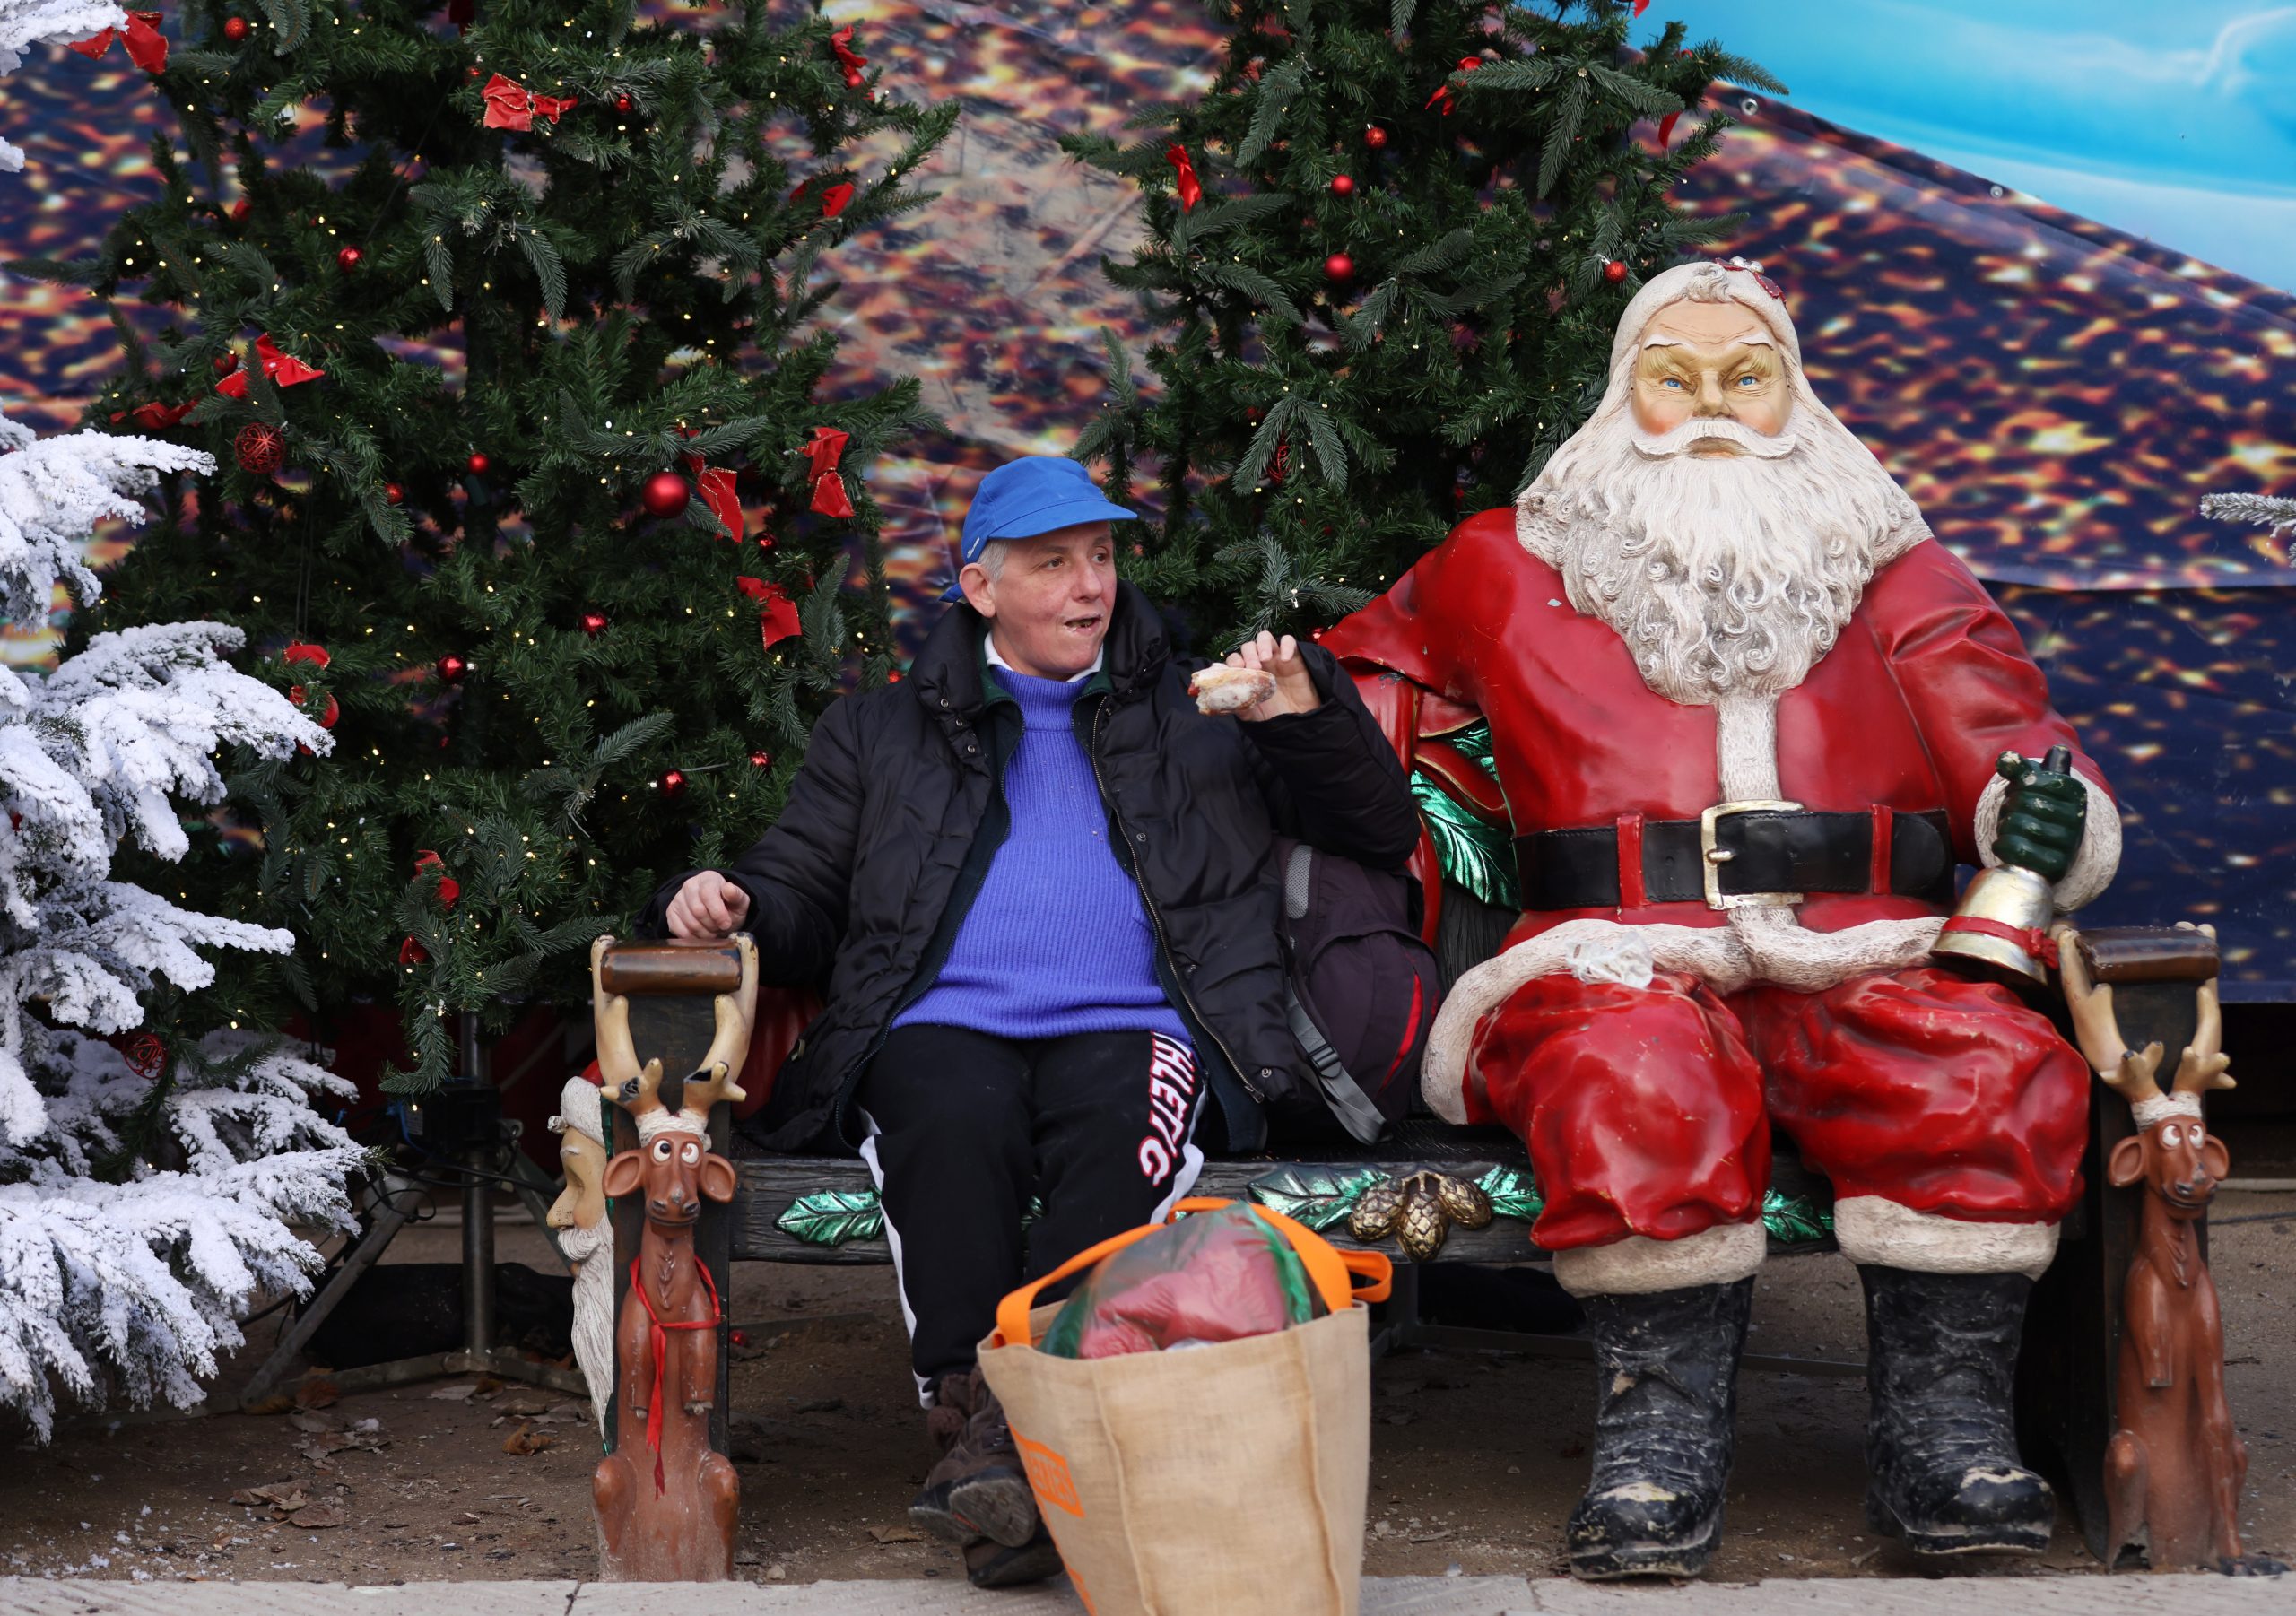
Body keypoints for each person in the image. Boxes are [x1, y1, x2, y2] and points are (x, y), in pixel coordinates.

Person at [1323, 258, 2114, 1579]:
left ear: (1792, 394)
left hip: (1863, 945)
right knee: (1633, 1079)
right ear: (1622, 394)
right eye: (1669, 378)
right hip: (1611, 953)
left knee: (1982, 1065)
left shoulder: (1893, 569)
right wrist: (1287, 718)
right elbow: (1365, 674)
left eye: (1744, 380)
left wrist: (2041, 823)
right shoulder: (1508, 563)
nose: (1705, 409)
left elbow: (2010, 739)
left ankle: (1946, 1430)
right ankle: (1658, 1440)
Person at [640, 454, 1417, 1588]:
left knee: (1117, 1133)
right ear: (979, 585)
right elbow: (804, 890)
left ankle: (997, 1451)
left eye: (1101, 558)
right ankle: (1002, 1441)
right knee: (946, 1123)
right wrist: (738, 898)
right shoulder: (880, 730)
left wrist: (1305, 716)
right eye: (1053, 563)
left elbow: (1377, 830)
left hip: (1145, 1019)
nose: (1088, 586)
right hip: (940, 1023)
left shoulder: (1201, 711)